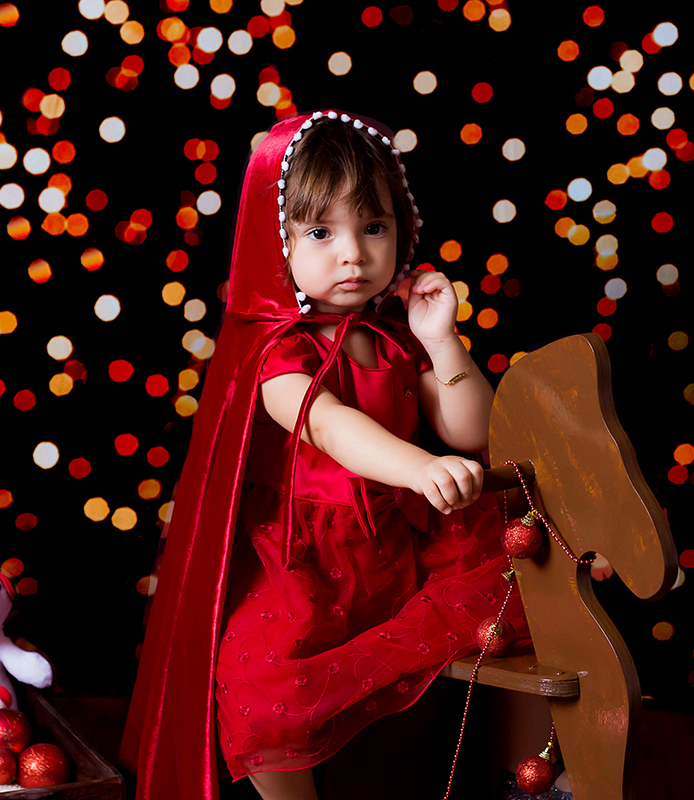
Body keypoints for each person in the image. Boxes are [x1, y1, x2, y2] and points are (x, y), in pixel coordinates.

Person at [120, 110, 528, 800]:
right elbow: (330, 426)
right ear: (275, 243)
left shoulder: (396, 336)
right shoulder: (278, 350)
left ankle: (525, 776)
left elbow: (470, 430)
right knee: (262, 684)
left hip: (396, 542)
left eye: (374, 228)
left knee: (519, 582)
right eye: (320, 232)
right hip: (304, 558)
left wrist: (443, 341)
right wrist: (419, 467)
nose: (353, 255)